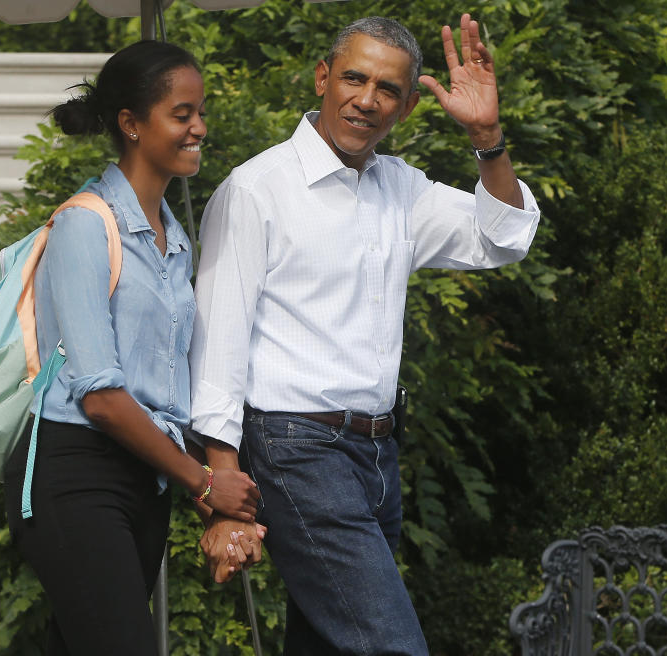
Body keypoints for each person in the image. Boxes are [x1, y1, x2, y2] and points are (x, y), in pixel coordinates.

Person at [189, 13, 541, 655]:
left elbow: (504, 238)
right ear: (323, 78)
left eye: (386, 89)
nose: (366, 99)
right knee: (390, 644)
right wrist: (221, 482)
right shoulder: (256, 190)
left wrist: (487, 136)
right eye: (354, 78)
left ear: (405, 107)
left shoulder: (400, 190)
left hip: (377, 455)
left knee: (327, 645)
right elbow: (217, 340)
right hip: (294, 448)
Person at [2, 40, 260, 656]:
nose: (199, 128)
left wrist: (215, 501)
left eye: (201, 112)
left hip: (145, 480)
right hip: (75, 476)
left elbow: (169, 392)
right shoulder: (85, 225)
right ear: (131, 123)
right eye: (182, 113)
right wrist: (204, 486)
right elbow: (104, 399)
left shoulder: (175, 238)